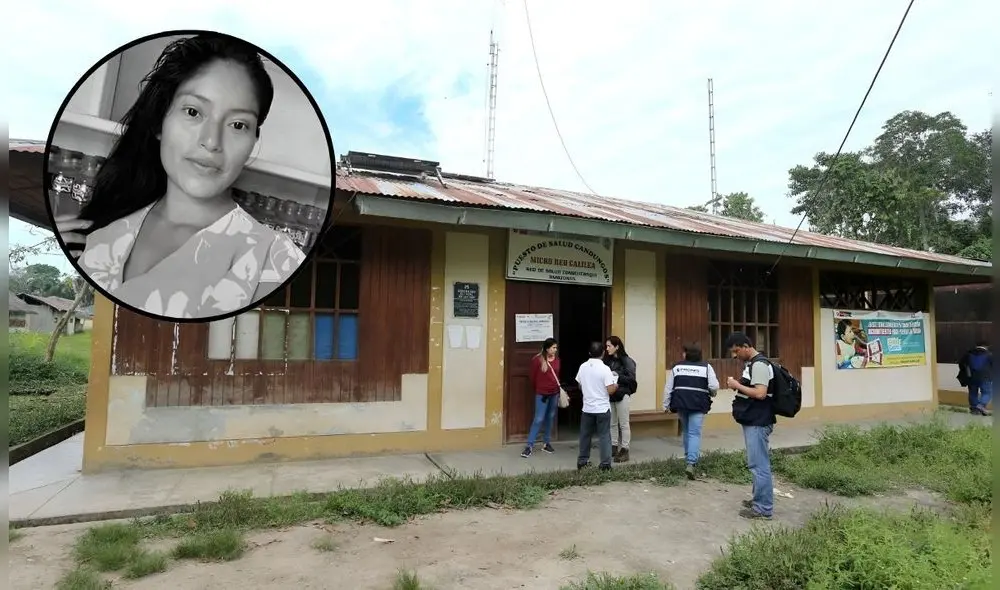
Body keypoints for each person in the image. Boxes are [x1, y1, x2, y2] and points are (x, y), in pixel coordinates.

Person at [56, 34, 306, 319]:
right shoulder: (101, 234)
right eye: (193, 111)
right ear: (160, 121)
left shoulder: (277, 261)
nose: (212, 141)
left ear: (252, 142)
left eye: (238, 125)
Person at [724, 331, 775, 520]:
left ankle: (763, 508)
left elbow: (760, 393)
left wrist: (737, 385)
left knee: (759, 464)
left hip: (758, 422)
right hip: (754, 420)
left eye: (736, 351)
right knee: (756, 463)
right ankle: (758, 500)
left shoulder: (760, 365)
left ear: (746, 346)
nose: (735, 355)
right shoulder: (752, 364)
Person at [663, 343, 719, 480]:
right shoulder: (706, 367)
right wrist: (712, 393)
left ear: (687, 354)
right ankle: (691, 463)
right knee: (694, 433)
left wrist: (665, 405)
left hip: (681, 404)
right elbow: (713, 386)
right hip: (698, 404)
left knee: (687, 431)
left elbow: (668, 388)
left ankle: (689, 457)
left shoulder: (677, 367)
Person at [576, 341, 618, 471]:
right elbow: (610, 390)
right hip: (602, 408)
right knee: (604, 435)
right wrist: (616, 385)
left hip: (587, 407)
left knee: (585, 435)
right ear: (603, 353)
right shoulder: (605, 369)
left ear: (589, 353)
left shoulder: (583, 366)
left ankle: (582, 461)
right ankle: (605, 464)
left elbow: (580, 385)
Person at [521, 338, 562, 458]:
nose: (555, 350)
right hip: (542, 394)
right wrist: (539, 389)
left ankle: (546, 443)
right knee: (538, 419)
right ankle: (529, 445)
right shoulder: (537, 361)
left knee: (550, 417)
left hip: (554, 393)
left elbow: (557, 376)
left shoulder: (557, 360)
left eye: (556, 348)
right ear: (547, 348)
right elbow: (532, 377)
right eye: (553, 347)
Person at [603, 336, 637, 462]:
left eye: (609, 346)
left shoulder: (627, 361)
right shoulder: (607, 361)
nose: (607, 349)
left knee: (624, 423)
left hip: (622, 394)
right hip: (611, 394)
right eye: (606, 346)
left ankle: (625, 449)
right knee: (612, 423)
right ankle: (613, 446)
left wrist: (618, 376)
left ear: (617, 347)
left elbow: (632, 380)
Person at [958, 340, 992, 416]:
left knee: (973, 392)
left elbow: (961, 364)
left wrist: (966, 373)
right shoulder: (989, 354)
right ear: (986, 346)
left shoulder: (968, 354)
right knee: (987, 392)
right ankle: (980, 406)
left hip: (971, 377)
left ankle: (974, 408)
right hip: (985, 377)